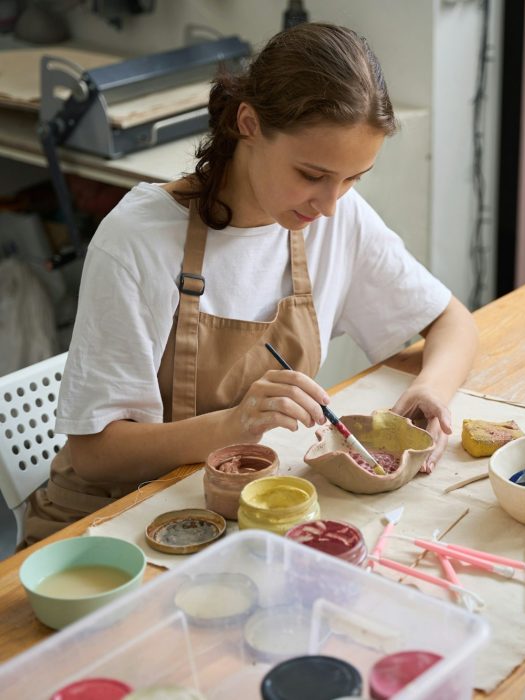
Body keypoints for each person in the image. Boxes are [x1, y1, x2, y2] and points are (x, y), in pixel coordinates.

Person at [23, 23, 479, 545]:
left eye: (353, 178)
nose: (330, 203)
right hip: (110, 520)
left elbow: (453, 323)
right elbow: (96, 453)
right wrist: (233, 426)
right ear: (248, 123)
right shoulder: (138, 239)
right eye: (311, 174)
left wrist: (428, 390)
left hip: (235, 509)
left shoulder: (336, 217)